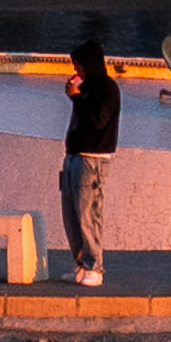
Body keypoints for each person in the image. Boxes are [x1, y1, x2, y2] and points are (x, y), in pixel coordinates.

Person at [61, 36, 125, 289]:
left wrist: (76, 98)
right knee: (72, 215)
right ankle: (81, 264)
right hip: (74, 157)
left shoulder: (107, 88)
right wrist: (76, 96)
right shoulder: (86, 88)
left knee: (89, 215)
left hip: (93, 160)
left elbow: (98, 120)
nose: (76, 70)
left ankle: (94, 267)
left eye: (78, 64)